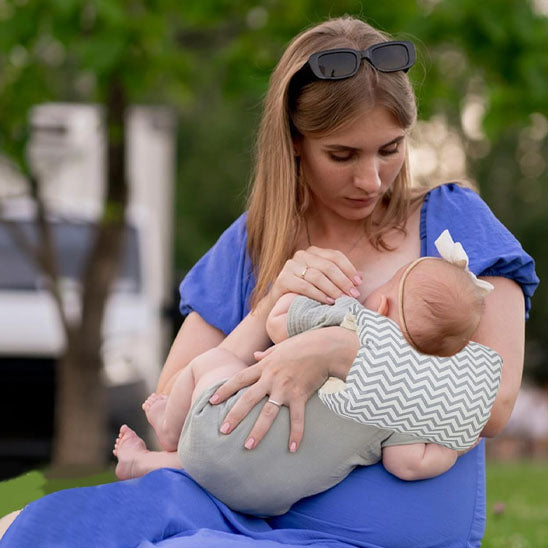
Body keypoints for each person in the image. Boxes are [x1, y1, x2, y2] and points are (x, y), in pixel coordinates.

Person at [0, 15, 538, 548]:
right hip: (227, 514)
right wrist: (268, 309)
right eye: (343, 155)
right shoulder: (252, 244)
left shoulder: (450, 220)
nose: (371, 179)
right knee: (49, 525)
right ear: (295, 143)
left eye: (390, 148)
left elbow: (494, 404)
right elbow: (171, 405)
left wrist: (337, 350)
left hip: (372, 542)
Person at [112, 235, 495, 518]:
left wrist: (313, 309)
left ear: (383, 303)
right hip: (271, 498)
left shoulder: (352, 319)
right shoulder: (410, 405)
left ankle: (170, 429)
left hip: (218, 431)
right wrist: (452, 446)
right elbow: (406, 465)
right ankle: (147, 464)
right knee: (246, 460)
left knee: (211, 363)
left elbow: (279, 321)